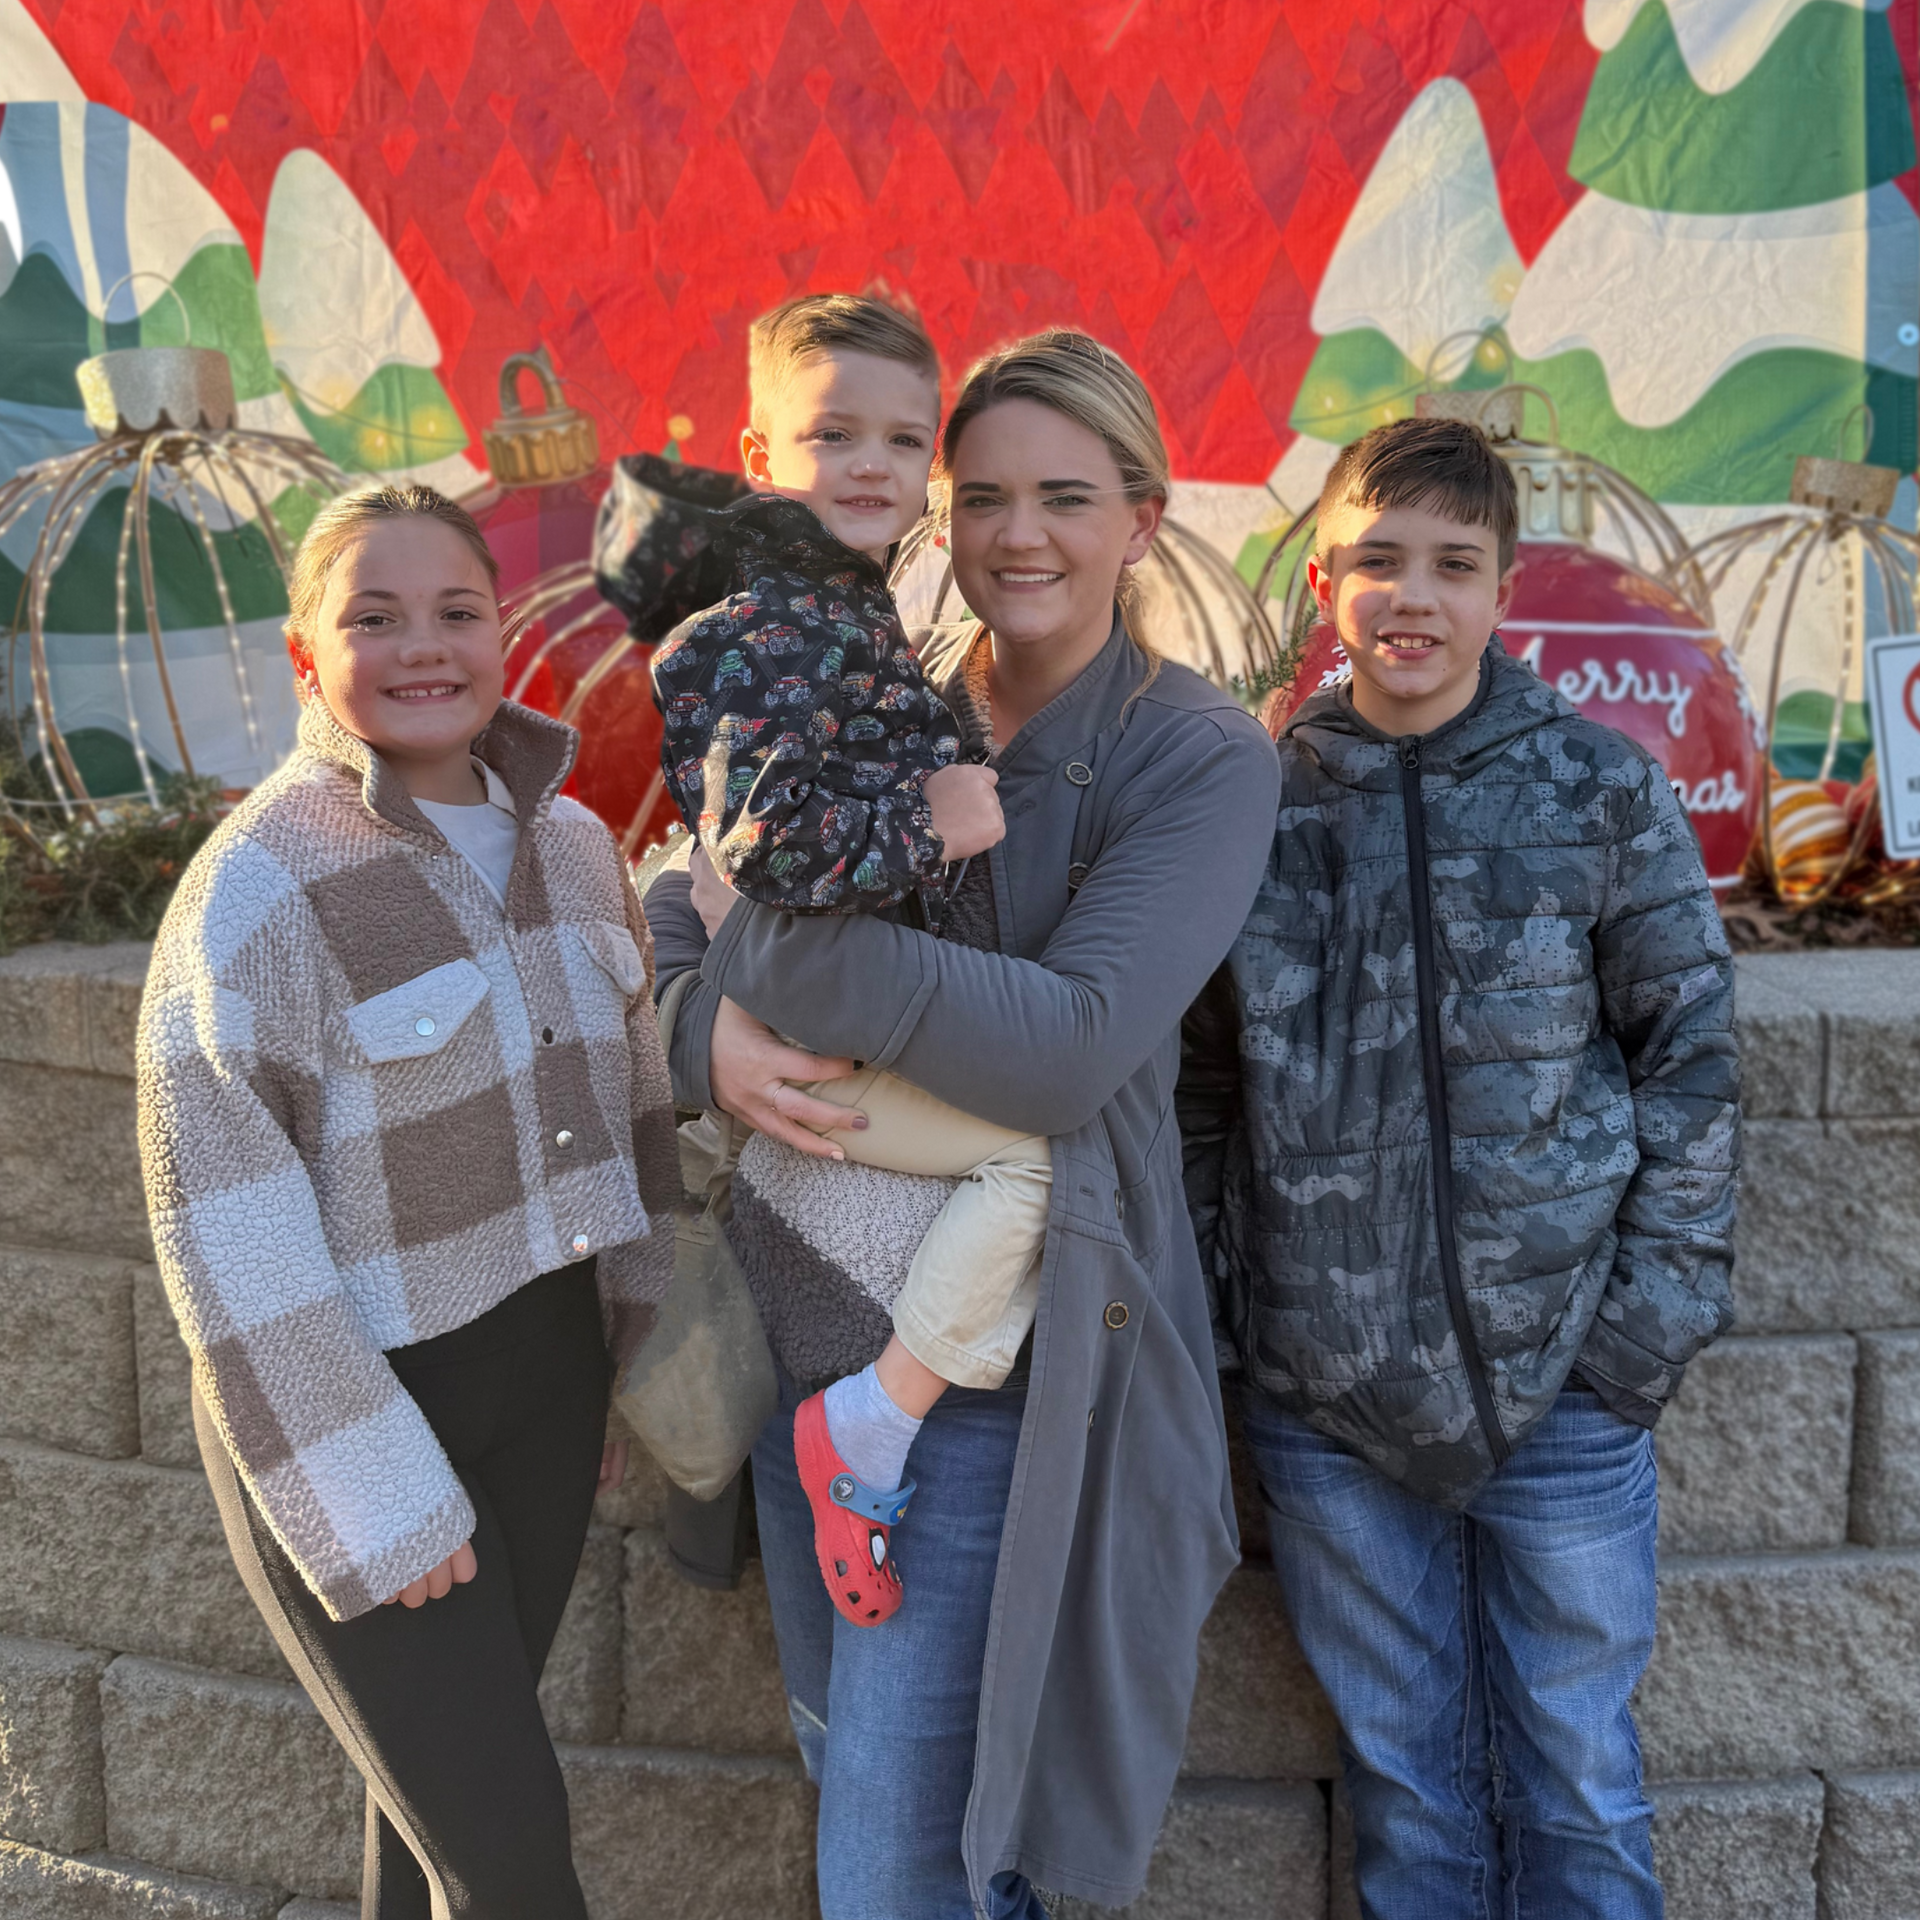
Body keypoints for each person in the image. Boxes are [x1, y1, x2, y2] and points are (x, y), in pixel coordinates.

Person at [642, 329, 1279, 1918]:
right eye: (980, 492)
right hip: (798, 1319)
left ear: (1145, 510)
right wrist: (694, 1028)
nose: (1017, 533)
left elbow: (1061, 1055)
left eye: (1066, 495)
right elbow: (674, 877)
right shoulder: (882, 694)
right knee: (846, 1772)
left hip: (991, 1369)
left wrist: (762, 950)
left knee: (905, 1862)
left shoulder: (1192, 756)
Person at [1179, 416, 1740, 1918]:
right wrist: (1240, 1324)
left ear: (1504, 592)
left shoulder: (1597, 793)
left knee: (1580, 1784)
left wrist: (1644, 1335)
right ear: (1322, 586)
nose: (1411, 595)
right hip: (1328, 1399)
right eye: (1377, 559)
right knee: (1412, 1798)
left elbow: (1690, 1058)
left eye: (1454, 564)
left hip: (1564, 1385)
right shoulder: (1255, 809)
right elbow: (1202, 1088)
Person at [134, 484, 680, 1920]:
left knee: (433, 1843)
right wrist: (376, 1488)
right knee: (512, 1862)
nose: (422, 646)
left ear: (505, 635)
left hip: (546, 1385)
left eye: (456, 611)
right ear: (308, 658)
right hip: (363, 1411)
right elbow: (225, 1230)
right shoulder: (259, 888)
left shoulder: (574, 851)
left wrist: (633, 1348)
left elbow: (635, 1120)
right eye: (372, 618)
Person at [645, 292, 1054, 1625]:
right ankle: (873, 1426)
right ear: (761, 455)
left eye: (900, 436)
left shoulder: (843, 621)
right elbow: (758, 845)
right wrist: (932, 819)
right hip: (826, 1053)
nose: (871, 464)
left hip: (844, 1034)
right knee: (1034, 1156)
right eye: (831, 435)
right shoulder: (765, 629)